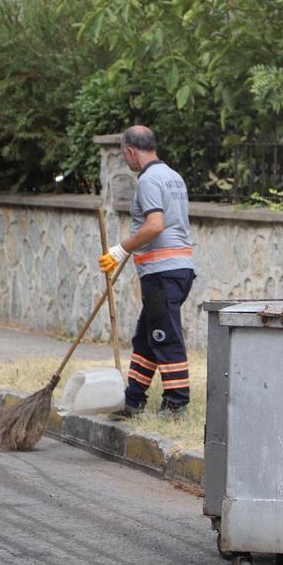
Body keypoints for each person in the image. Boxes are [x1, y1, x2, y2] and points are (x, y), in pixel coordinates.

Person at [98, 125, 196, 418]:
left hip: (162, 274)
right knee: (146, 338)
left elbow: (155, 225)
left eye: (123, 154)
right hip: (177, 270)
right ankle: (133, 400)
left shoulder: (149, 180)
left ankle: (176, 403)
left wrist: (120, 249)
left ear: (130, 151)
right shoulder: (173, 176)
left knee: (164, 336)